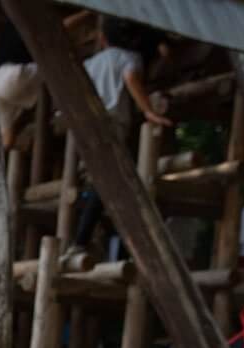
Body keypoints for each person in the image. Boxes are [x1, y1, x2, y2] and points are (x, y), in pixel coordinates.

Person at [72, 17, 172, 253]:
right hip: (111, 122)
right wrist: (148, 110)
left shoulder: (91, 63)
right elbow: (130, 79)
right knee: (106, 179)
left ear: (103, 38)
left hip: (86, 124)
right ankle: (81, 240)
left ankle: (82, 237)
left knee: (92, 177)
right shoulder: (130, 58)